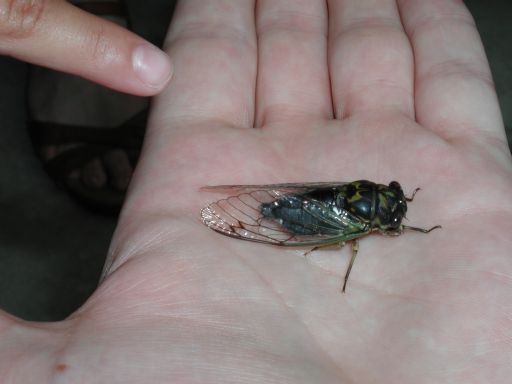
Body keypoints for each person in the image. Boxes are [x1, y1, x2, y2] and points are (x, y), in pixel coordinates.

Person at [1, 1, 511, 382]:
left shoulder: (364, 200)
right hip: (306, 213)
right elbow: (353, 238)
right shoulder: (363, 228)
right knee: (319, 230)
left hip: (308, 207)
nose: (394, 212)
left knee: (299, 216)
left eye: (394, 214)